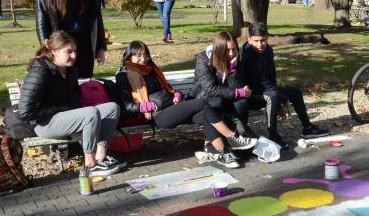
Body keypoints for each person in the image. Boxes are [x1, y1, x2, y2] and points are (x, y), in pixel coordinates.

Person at [115, 40, 254, 169]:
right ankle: (233, 137)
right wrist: (144, 107)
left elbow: (166, 88)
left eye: (145, 55)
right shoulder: (124, 74)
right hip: (158, 115)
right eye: (138, 56)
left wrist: (176, 94)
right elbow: (125, 105)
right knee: (201, 103)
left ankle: (222, 153)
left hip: (172, 106)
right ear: (129, 57)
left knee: (202, 116)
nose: (143, 59)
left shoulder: (151, 68)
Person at [18, 31, 123, 177]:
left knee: (112, 108)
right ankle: (90, 165)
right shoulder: (39, 72)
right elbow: (25, 112)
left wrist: (71, 108)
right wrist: (62, 109)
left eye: (75, 51)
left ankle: (101, 158)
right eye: (69, 52)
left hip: (65, 117)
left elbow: (75, 95)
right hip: (44, 124)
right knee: (90, 113)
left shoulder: (71, 69)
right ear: (54, 52)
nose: (73, 56)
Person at [238, 23, 329, 149]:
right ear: (249, 39)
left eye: (263, 40)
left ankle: (308, 128)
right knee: (273, 95)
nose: (260, 45)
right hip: (250, 95)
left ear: (267, 37)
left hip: (266, 89)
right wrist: (282, 99)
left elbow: (271, 76)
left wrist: (282, 98)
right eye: (256, 41)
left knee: (295, 92)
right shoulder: (246, 55)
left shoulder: (268, 50)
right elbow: (259, 82)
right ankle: (273, 135)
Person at [36, 0, 106, 79]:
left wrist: (100, 47)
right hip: (61, 44)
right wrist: (48, 49)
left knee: (84, 81)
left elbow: (96, 17)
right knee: (63, 83)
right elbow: (41, 22)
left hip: (85, 43)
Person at [189, 30, 257, 147]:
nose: (231, 53)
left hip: (228, 95)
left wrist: (232, 69)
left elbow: (238, 86)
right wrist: (239, 92)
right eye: (227, 50)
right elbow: (210, 88)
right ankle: (216, 138)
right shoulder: (204, 59)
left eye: (234, 49)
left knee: (241, 103)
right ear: (219, 49)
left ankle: (240, 134)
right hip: (206, 98)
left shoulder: (237, 58)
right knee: (219, 102)